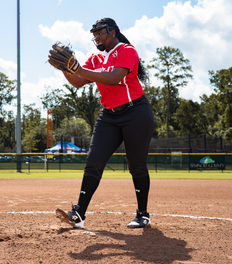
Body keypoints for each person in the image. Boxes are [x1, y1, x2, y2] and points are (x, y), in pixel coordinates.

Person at [54, 18, 154, 229]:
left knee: (136, 166)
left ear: (113, 32)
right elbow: (79, 82)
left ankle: (143, 214)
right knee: (94, 161)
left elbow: (113, 78)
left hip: (136, 111)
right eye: (95, 35)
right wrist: (65, 68)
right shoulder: (96, 57)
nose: (97, 37)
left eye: (100, 33)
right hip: (109, 115)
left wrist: (78, 69)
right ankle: (79, 214)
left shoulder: (127, 50)